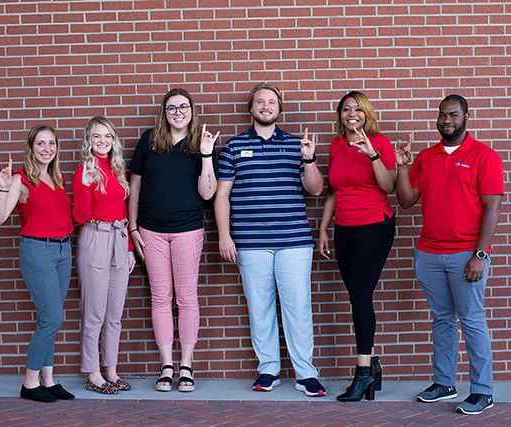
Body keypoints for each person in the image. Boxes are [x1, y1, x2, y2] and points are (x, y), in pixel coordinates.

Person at [214, 83, 326, 397]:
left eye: (271, 102)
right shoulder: (233, 147)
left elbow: (316, 189)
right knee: (259, 308)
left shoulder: (297, 144)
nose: (266, 106)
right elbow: (221, 195)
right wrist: (225, 236)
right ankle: (268, 370)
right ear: (251, 108)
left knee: (298, 307)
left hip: (294, 240)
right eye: (260, 102)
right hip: (250, 242)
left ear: (279, 109)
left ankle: (306, 374)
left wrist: (309, 159)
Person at [396, 94, 504, 415]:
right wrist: (402, 167)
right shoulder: (425, 158)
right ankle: (444, 383)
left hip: (466, 255)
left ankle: (483, 391)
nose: (447, 121)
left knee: (471, 320)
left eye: (454, 115)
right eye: (442, 115)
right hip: (429, 254)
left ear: (466, 117)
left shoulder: (484, 156)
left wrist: (480, 255)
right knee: (442, 319)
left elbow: (493, 208)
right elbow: (405, 200)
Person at [128, 88, 218, 392]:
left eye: (183, 107)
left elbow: (208, 193)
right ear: (164, 112)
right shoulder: (149, 140)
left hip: (188, 230)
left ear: (192, 110)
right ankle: (167, 365)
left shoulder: (200, 143)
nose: (178, 112)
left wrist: (206, 155)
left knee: (187, 298)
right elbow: (135, 187)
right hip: (150, 230)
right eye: (171, 108)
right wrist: (133, 227)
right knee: (160, 298)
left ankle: (186, 365)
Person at [318, 91, 396, 402]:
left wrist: (372, 154)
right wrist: (323, 229)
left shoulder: (380, 142)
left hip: (374, 226)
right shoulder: (336, 145)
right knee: (356, 296)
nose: (352, 114)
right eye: (346, 109)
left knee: (361, 297)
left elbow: (389, 186)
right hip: (344, 229)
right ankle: (373, 366)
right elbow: (335, 191)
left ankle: (362, 373)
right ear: (340, 115)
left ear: (367, 114)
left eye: (358, 109)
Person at [0, 125, 75, 403]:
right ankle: (30, 383)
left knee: (50, 318)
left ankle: (48, 379)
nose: (47, 149)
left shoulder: (57, 177)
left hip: (63, 250)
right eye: (41, 144)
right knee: (52, 318)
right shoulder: (20, 179)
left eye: (51, 143)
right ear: (31, 147)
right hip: (38, 251)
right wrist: (3, 189)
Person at [73, 117, 136, 395]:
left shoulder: (117, 168)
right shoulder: (85, 170)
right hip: (95, 237)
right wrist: (86, 186)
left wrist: (130, 249)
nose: (102, 141)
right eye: (97, 136)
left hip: (119, 240)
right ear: (89, 140)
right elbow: (79, 216)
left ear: (114, 141)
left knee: (114, 314)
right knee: (95, 314)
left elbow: (122, 211)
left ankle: (111, 370)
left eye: (107, 136)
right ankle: (93, 373)